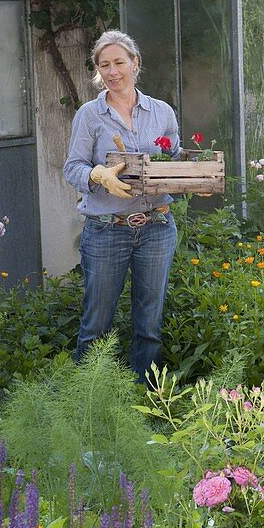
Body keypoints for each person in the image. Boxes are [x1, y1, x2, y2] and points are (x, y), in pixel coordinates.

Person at [63, 30, 180, 386]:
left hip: (157, 227)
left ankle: (143, 404)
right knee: (96, 325)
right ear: (98, 70)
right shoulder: (90, 115)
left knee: (149, 325)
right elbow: (73, 167)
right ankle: (90, 402)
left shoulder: (161, 112)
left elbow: (174, 161)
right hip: (106, 229)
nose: (112, 71)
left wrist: (194, 181)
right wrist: (97, 175)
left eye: (119, 62)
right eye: (104, 65)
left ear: (135, 64)